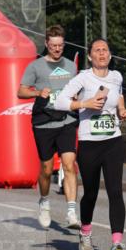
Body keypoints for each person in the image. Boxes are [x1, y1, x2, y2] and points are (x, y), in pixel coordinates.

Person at [53, 39, 126, 250]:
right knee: (91, 193)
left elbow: (119, 97)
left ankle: (117, 243)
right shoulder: (82, 78)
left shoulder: (116, 77)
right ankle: (85, 233)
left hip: (113, 141)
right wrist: (84, 104)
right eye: (97, 50)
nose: (101, 53)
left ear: (110, 54)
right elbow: (59, 101)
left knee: (116, 191)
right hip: (89, 143)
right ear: (90, 56)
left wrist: (123, 111)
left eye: (105, 50)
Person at [18, 25, 80, 229]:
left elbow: (77, 89)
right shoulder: (35, 66)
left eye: (60, 45)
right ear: (46, 44)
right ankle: (44, 202)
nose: (57, 49)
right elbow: (21, 91)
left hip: (67, 120)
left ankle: (72, 211)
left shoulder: (71, 66)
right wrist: (37, 93)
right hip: (44, 122)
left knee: (69, 164)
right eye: (53, 46)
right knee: (46, 169)